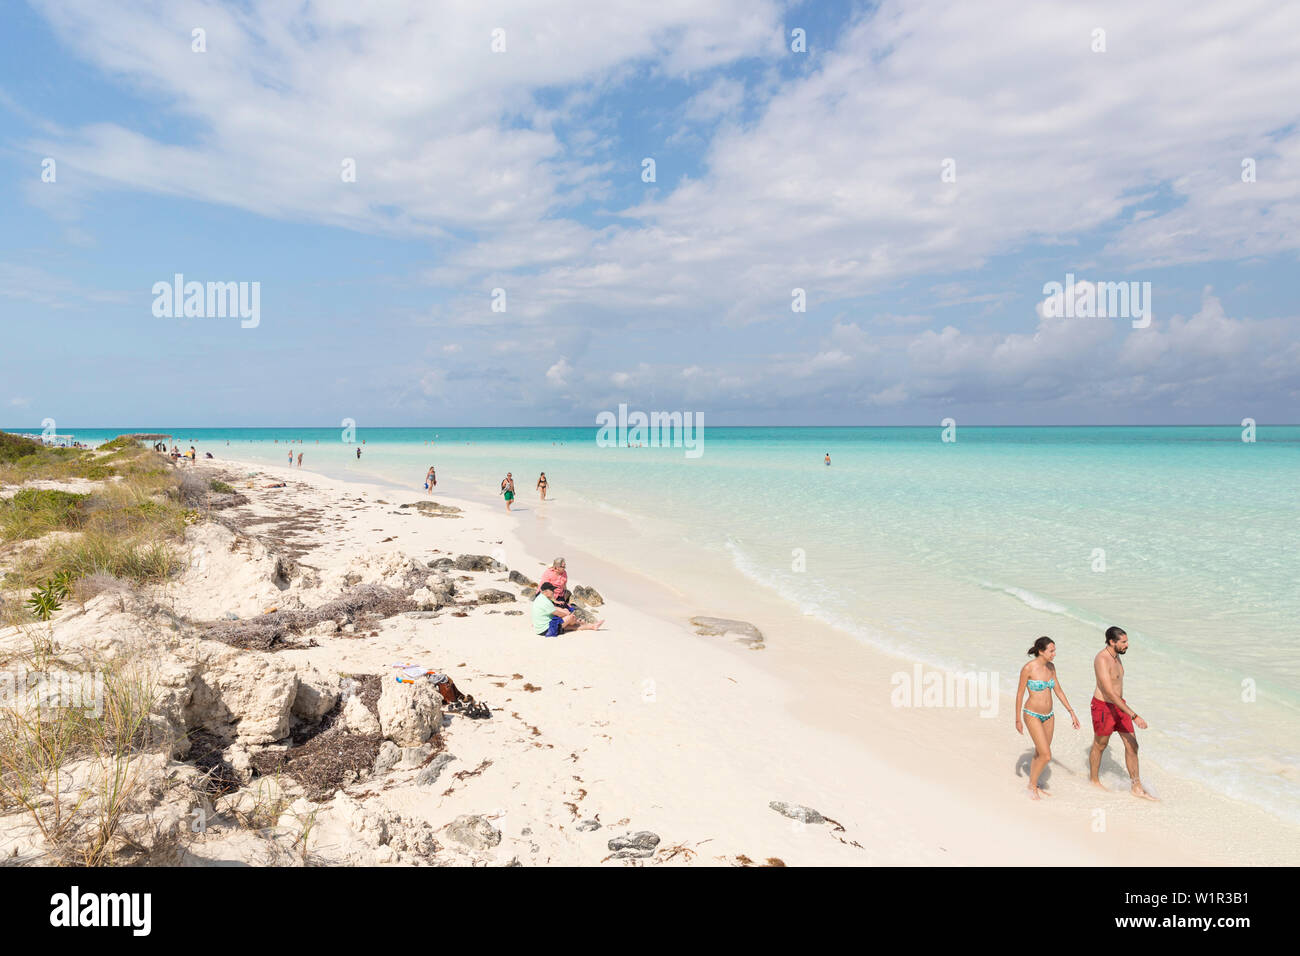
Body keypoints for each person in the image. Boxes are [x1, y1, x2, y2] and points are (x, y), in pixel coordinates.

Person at [1089, 626, 1156, 800]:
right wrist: (1134, 715)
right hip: (1104, 707)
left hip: (1120, 706)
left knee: (1132, 745)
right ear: (1112, 642)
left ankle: (1136, 786)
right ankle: (1094, 780)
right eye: (1124, 642)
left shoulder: (1117, 656)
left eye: (1127, 641)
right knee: (1100, 745)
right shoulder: (1102, 659)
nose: (1127, 645)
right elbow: (1109, 692)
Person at [1014, 636, 1080, 800]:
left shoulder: (1051, 667)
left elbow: (1058, 690)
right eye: (1051, 651)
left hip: (1049, 716)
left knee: (1040, 752)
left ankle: (1034, 783)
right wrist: (1017, 719)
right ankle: (1031, 787)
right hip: (1032, 714)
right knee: (1046, 755)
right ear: (1041, 651)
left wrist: (1071, 711)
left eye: (1054, 650)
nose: (1054, 654)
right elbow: (1020, 694)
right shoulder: (1028, 668)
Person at [531, 582, 602, 636]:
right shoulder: (545, 601)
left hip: (541, 628)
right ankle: (580, 622)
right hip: (546, 629)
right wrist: (568, 614)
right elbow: (558, 613)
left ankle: (592, 626)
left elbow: (554, 608)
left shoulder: (541, 597)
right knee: (571, 617)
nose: (553, 591)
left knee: (571, 626)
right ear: (545, 591)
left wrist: (564, 611)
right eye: (551, 590)